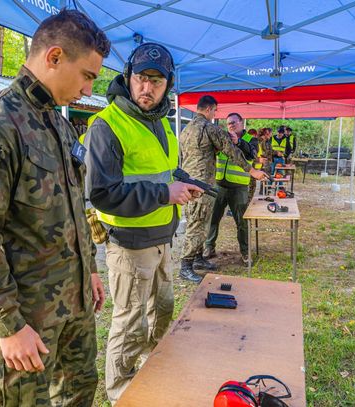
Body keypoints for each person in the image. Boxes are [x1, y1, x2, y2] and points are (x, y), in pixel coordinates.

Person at [0, 10, 110, 406]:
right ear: (54, 57)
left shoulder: (58, 124)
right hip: (28, 318)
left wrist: (90, 269)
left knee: (80, 393)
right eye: (87, 75)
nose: (88, 89)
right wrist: (8, 326)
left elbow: (76, 206)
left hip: (74, 304)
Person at [84, 42, 203, 404]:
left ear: (169, 86)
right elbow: (102, 194)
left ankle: (151, 369)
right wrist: (165, 193)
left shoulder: (161, 122)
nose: (147, 88)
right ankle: (121, 392)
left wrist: (184, 182)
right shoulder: (106, 125)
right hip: (129, 244)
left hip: (162, 238)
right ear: (128, 77)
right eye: (140, 79)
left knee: (162, 310)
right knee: (130, 322)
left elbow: (163, 170)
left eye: (157, 81)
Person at [179, 96, 267, 283]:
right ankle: (185, 266)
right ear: (209, 109)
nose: (214, 115)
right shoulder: (209, 128)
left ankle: (198, 257)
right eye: (214, 111)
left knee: (201, 221)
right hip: (202, 186)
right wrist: (252, 171)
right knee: (197, 224)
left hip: (190, 182)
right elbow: (231, 151)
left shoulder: (186, 129)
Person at [204, 112, 259, 265]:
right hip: (219, 185)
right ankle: (209, 247)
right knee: (213, 218)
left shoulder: (251, 139)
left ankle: (245, 252)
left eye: (234, 122)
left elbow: (253, 154)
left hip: (238, 188)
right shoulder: (223, 137)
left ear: (242, 122)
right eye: (229, 123)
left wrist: (239, 142)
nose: (231, 125)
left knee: (242, 222)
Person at [248, 127, 273, 200]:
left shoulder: (260, 142)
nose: (269, 136)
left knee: (252, 188)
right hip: (251, 168)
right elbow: (250, 156)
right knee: (250, 188)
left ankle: (248, 202)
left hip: (256, 167)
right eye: (268, 134)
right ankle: (247, 203)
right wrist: (259, 160)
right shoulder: (256, 142)